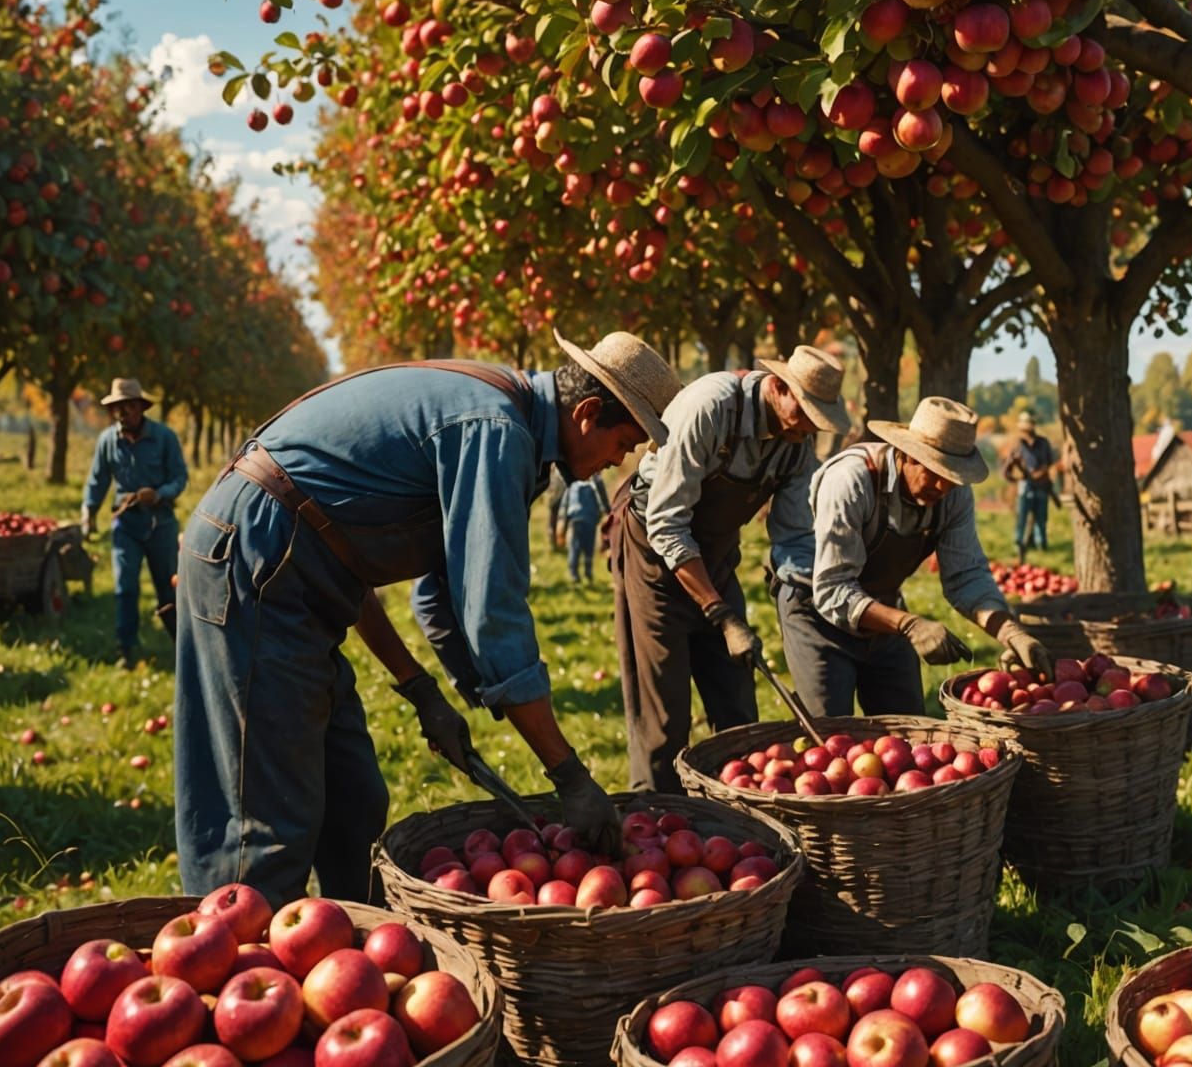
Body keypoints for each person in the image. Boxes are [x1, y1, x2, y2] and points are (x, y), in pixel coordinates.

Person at [173, 331, 682, 906]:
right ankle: (233, 959)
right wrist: (568, 773)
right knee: (264, 818)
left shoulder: (509, 422)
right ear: (588, 413)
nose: (618, 461)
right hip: (260, 558)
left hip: (304, 566)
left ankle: (342, 949)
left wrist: (426, 692)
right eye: (624, 443)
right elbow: (493, 616)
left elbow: (435, 597)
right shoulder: (498, 431)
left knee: (354, 798)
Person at [612, 346, 849, 792]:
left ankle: (736, 816)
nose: (810, 426)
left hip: (716, 557)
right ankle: (655, 815)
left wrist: (817, 600)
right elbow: (667, 523)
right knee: (664, 713)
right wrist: (719, 613)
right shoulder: (711, 407)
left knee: (738, 702)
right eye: (806, 411)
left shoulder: (797, 442)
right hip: (653, 552)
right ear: (778, 387)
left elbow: (795, 537)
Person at [776, 398, 1052, 717]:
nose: (942, 485)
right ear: (906, 454)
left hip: (883, 610)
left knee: (910, 728)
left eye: (953, 475)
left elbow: (966, 576)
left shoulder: (953, 493)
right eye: (934, 470)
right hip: (817, 612)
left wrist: (1010, 632)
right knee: (831, 733)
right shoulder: (852, 480)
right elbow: (833, 589)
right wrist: (909, 625)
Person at [80, 378, 187, 669]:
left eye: (127, 406)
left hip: (160, 524)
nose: (121, 413)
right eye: (116, 408)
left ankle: (183, 648)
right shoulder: (107, 441)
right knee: (125, 587)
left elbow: (180, 477)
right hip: (125, 524)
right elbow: (98, 479)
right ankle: (126, 649)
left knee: (169, 588)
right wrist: (88, 513)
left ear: (140, 407)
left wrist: (159, 494)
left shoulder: (164, 437)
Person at [1004, 410, 1058, 563]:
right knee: (1022, 518)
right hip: (1025, 486)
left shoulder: (1043, 442)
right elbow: (1007, 469)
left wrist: (1038, 474)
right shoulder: (1017, 445)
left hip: (1041, 485)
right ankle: (1019, 544)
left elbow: (1048, 463)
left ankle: (1042, 545)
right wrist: (1018, 478)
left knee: (1041, 518)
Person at [562, 473, 606, 583]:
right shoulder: (595, 482)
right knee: (585, 548)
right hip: (588, 518)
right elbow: (603, 500)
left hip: (577, 518)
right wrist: (605, 512)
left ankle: (577, 574)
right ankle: (584, 573)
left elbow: (565, 502)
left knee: (577, 547)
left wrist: (564, 520)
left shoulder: (572, 482)